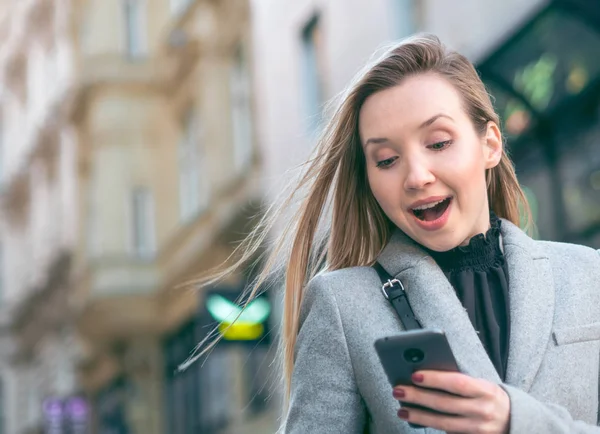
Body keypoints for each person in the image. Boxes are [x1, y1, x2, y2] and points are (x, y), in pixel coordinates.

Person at [198, 34, 600, 433]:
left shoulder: (587, 275)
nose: (416, 176)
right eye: (386, 159)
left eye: (438, 143)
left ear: (490, 145)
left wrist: (516, 420)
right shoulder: (343, 305)